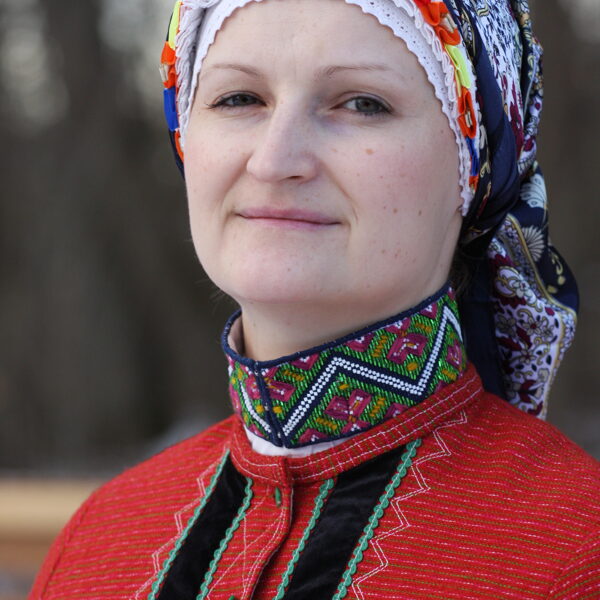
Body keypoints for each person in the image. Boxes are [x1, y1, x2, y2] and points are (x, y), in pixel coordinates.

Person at [30, 0, 600, 598]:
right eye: (239, 99)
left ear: (474, 167)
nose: (274, 161)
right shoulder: (97, 545)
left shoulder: (574, 553)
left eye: (362, 104)